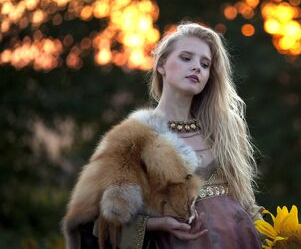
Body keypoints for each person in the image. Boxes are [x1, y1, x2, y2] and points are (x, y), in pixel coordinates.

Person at [64, 22, 263, 249]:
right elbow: (93, 222)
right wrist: (154, 224)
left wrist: (277, 238)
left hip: (239, 241)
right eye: (186, 58)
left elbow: (246, 202)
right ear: (161, 65)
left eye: (205, 64)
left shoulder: (225, 129)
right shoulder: (134, 137)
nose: (197, 67)